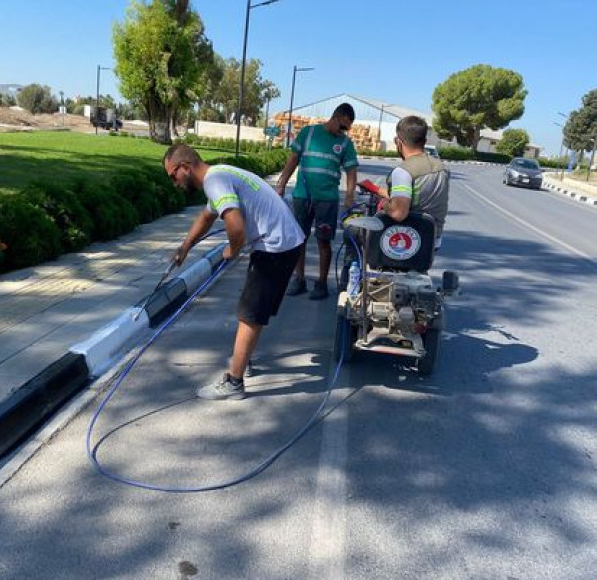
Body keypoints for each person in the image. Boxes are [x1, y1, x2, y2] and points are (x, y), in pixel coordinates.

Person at [164, 144, 305, 401]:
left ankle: (234, 382)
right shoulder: (218, 175)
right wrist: (184, 247)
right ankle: (244, 359)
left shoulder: (215, 180)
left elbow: (236, 226)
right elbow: (206, 217)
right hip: (283, 241)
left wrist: (232, 249)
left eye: (173, 175)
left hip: (275, 246)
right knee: (252, 309)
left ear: (185, 167)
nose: (173, 182)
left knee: (249, 314)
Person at [275, 103, 359, 299]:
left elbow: (351, 170)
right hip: (303, 196)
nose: (344, 131)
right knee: (299, 240)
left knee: (323, 241)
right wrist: (281, 184)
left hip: (327, 200)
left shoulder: (345, 144)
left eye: (347, 128)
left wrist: (349, 195)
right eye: (343, 126)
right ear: (337, 117)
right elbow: (293, 159)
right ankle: (299, 280)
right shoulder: (309, 133)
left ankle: (321, 284)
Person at [375, 115, 449, 249]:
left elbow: (398, 213)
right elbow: (419, 196)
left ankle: (355, 269)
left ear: (398, 141)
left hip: (406, 239)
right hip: (433, 239)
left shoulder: (403, 171)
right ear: (424, 141)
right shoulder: (442, 169)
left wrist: (383, 203)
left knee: (353, 232)